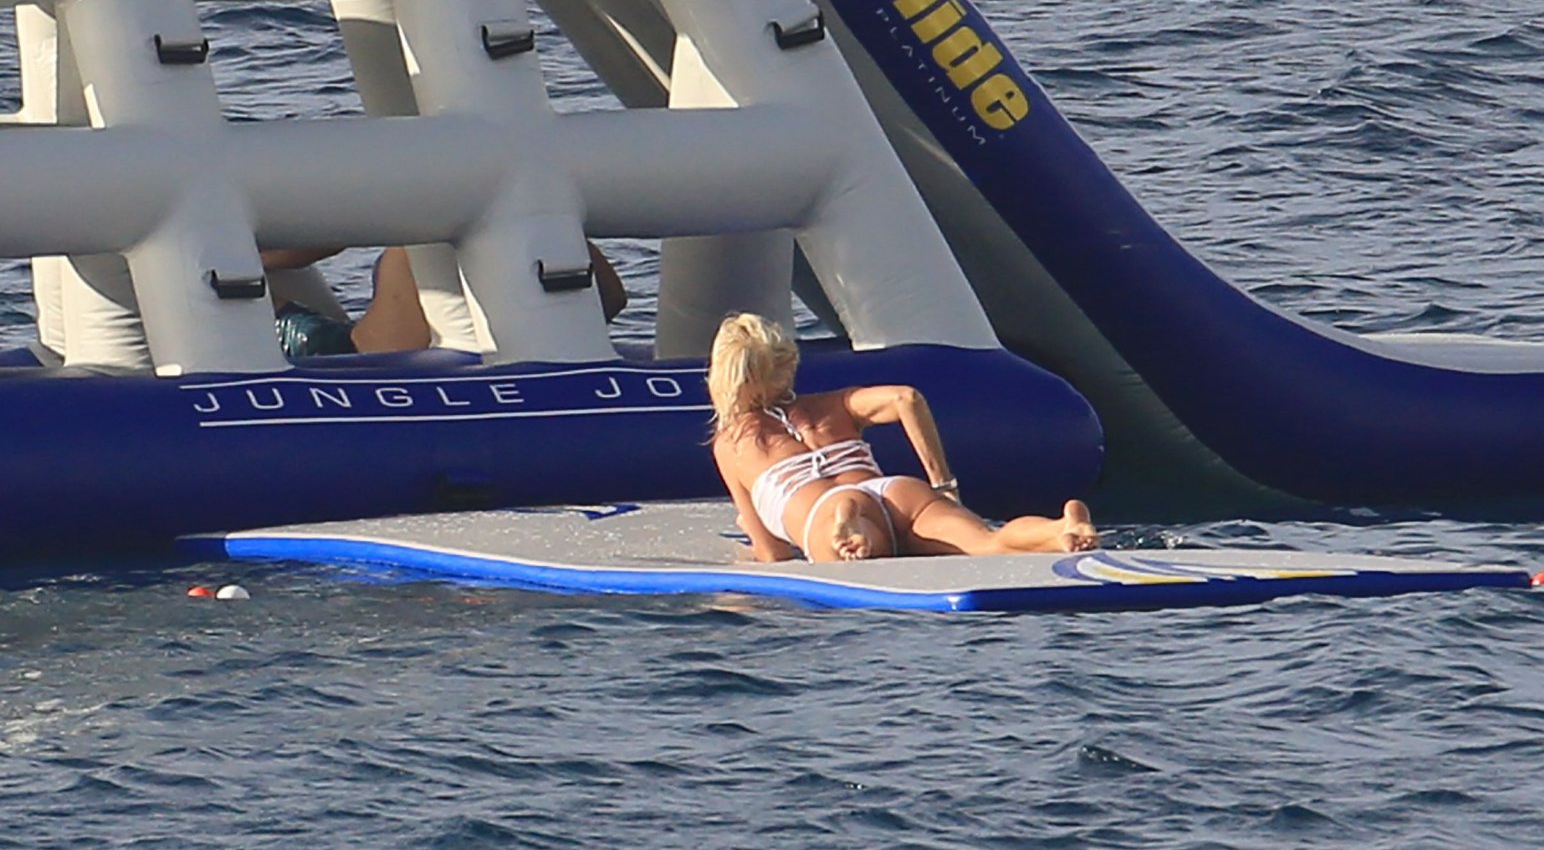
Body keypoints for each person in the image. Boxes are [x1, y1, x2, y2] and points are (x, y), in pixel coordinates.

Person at [707, 312, 1098, 563]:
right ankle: (1059, 529)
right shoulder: (832, 404)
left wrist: (752, 542)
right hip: (894, 491)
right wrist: (942, 484)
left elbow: (773, 553)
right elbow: (906, 398)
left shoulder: (732, 444)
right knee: (987, 542)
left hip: (822, 510)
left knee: (854, 554)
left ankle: (850, 522)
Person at [260, 244, 627, 358]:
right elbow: (612, 300)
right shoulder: (545, 229)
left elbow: (389, 354)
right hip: (365, 351)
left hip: (358, 355)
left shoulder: (413, 246)